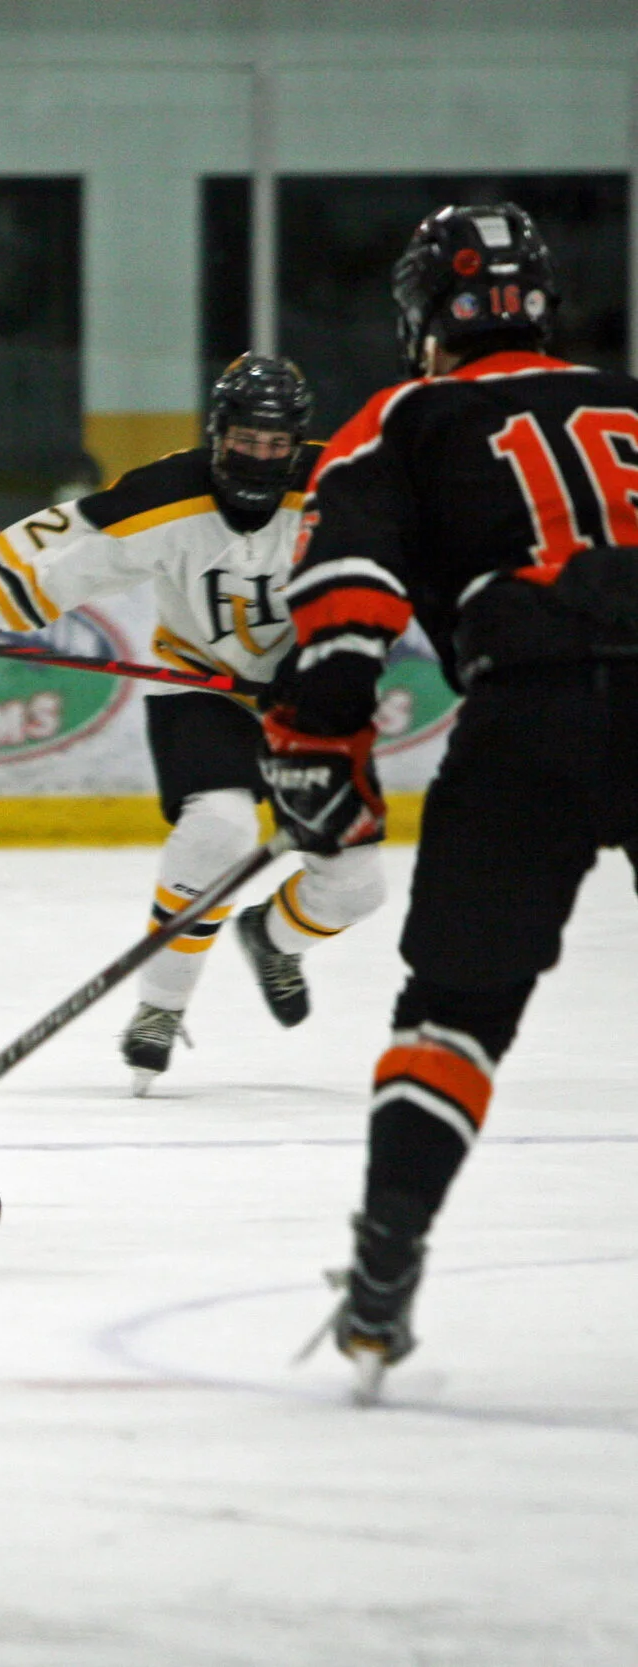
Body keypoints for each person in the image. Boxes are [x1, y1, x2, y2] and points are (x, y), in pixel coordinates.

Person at [263, 203, 638, 1399]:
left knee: (457, 1009)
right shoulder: (630, 397)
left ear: (424, 315)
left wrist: (322, 736)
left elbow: (346, 586)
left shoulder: (403, 415)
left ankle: (384, 1262)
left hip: (533, 713)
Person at [0, 354, 388, 1093]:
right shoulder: (167, 496)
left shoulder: (346, 488)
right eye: (244, 439)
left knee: (357, 885)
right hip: (206, 686)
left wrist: (333, 654)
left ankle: (273, 935)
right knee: (221, 827)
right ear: (217, 434)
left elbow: (409, 570)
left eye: (275, 443)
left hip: (316, 700)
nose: (259, 458)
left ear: (297, 442)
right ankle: (161, 1006)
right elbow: (55, 549)